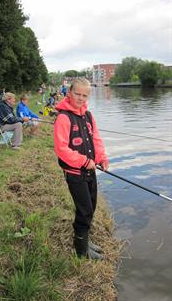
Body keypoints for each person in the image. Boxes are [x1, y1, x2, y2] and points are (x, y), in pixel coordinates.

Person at [53, 78, 109, 260]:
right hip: (75, 173)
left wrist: (102, 158)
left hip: (90, 171)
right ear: (69, 93)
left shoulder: (89, 115)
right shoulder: (63, 117)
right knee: (84, 210)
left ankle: (85, 240)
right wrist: (84, 161)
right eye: (77, 94)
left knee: (91, 207)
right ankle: (80, 250)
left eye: (85, 95)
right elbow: (61, 149)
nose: (80, 98)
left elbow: (97, 140)